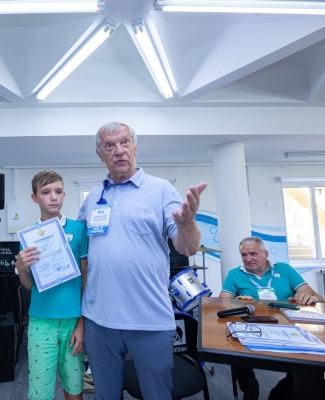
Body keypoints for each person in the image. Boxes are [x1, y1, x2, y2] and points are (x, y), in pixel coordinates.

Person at [77, 121, 207, 399]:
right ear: (100, 154)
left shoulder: (161, 190)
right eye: (109, 145)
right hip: (99, 320)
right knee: (105, 394)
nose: (119, 150)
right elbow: (81, 252)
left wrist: (187, 224)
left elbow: (188, 248)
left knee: (156, 394)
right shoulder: (93, 198)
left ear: (135, 147)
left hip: (149, 319)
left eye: (125, 142)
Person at [219, 236, 325, 400]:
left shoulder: (284, 270)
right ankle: (250, 389)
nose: (248, 259)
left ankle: (286, 387)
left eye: (253, 254)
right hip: (252, 326)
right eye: (244, 255)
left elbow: (319, 299)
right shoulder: (234, 274)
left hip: (287, 325)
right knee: (234, 347)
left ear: (266, 254)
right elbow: (221, 304)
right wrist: (235, 302)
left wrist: (307, 297)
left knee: (308, 358)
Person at [15, 170, 89, 400]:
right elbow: (29, 285)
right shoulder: (29, 238)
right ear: (35, 198)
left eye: (58, 191)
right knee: (40, 391)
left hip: (73, 321)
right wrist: (21, 268)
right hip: (41, 321)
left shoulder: (78, 229)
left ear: (64, 195)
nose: (53, 197)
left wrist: (82, 323)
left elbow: (86, 279)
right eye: (46, 192)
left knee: (74, 387)